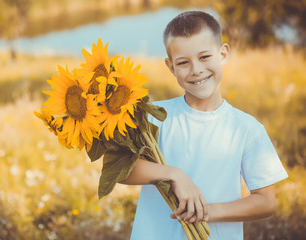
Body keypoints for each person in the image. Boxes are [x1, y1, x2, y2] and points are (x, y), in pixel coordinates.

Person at [119, 10, 288, 240]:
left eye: (204, 57)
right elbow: (121, 170)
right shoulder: (152, 115)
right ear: (171, 67)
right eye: (183, 62)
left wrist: (207, 211)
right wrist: (174, 175)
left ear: (223, 54)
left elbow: (265, 201)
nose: (196, 69)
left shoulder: (247, 129)